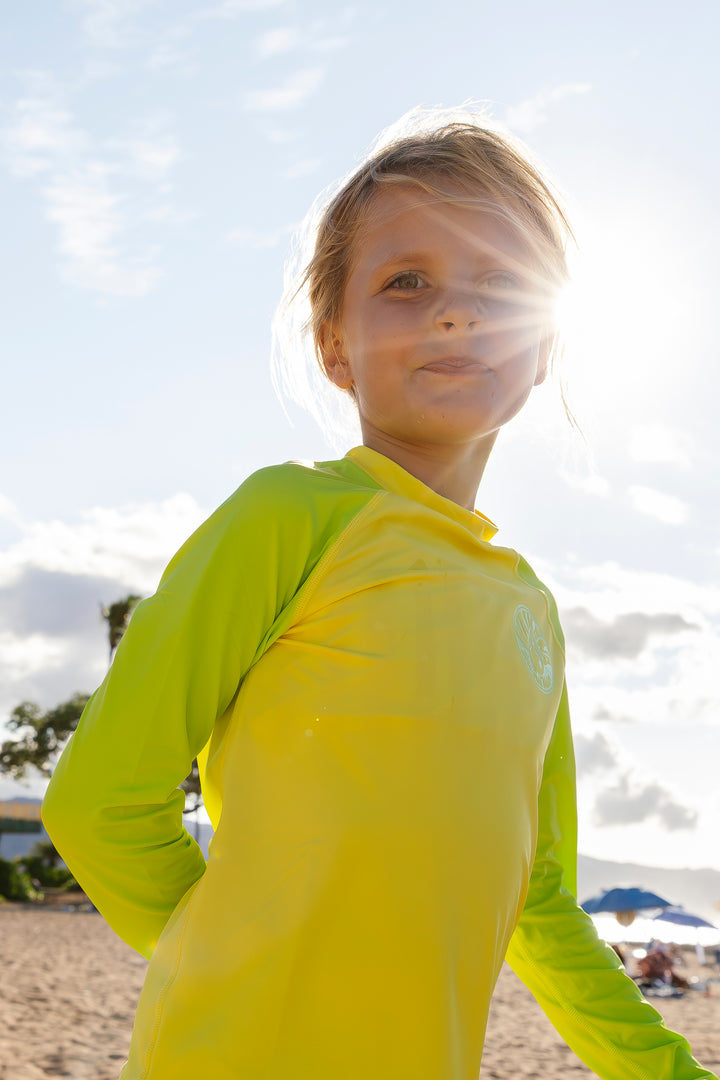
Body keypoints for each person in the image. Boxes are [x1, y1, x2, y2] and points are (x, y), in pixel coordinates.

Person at [42, 107, 717, 1080]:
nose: (456, 311)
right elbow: (100, 801)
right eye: (409, 282)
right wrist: (233, 966)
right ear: (334, 344)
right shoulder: (289, 517)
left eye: (499, 283)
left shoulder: (532, 616)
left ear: (545, 346)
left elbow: (540, 903)